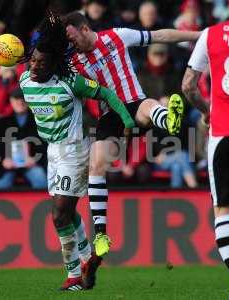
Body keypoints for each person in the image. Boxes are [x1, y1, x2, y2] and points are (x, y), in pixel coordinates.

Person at [63, 12, 200, 257]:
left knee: (147, 105)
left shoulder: (117, 36)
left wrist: (200, 35)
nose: (71, 44)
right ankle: (101, 234)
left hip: (134, 102)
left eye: (73, 38)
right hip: (110, 116)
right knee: (96, 164)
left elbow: (160, 35)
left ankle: (170, 120)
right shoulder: (74, 60)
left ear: (84, 28)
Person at [20, 13, 135, 291]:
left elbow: (107, 94)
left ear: (53, 64)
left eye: (41, 63)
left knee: (59, 214)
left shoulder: (70, 82)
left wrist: (127, 120)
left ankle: (73, 275)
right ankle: (86, 259)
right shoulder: (25, 79)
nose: (35, 66)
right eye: (32, 60)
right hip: (53, 153)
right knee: (68, 214)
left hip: (74, 151)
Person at [182, 0, 229, 299]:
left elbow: (188, 85)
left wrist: (207, 110)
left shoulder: (210, 34)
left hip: (225, 133)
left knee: (224, 209)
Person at [0, 88, 47, 190]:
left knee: (41, 181)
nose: (20, 102)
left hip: (31, 165)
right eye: (16, 99)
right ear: (11, 101)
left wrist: (35, 159)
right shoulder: (2, 123)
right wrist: (3, 161)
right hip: (9, 166)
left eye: (23, 99)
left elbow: (44, 146)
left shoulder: (38, 122)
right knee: (2, 185)